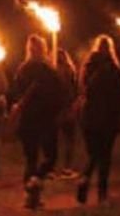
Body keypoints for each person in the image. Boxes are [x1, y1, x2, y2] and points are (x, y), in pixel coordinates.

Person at [11, 35, 65, 210]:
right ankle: (35, 185)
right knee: (50, 157)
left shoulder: (23, 69)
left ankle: (31, 193)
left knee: (31, 159)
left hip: (30, 119)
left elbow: (15, 92)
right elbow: (60, 94)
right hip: (44, 119)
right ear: (44, 49)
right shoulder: (47, 70)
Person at [76, 35, 120, 204]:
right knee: (104, 156)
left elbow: (83, 89)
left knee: (93, 154)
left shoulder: (88, 66)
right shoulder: (113, 69)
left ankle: (84, 179)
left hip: (88, 117)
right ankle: (102, 194)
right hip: (107, 118)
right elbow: (118, 97)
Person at [55, 49, 79, 179]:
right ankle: (66, 167)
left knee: (62, 139)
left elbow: (74, 88)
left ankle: (60, 167)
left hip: (63, 107)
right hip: (63, 107)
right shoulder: (69, 70)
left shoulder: (61, 70)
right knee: (68, 139)